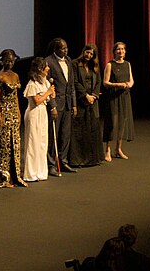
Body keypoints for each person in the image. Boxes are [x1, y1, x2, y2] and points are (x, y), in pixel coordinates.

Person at [0, 50, 25, 189]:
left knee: (15, 145)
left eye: (11, 61)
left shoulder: (16, 75)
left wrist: (18, 112)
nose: (9, 63)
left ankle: (15, 174)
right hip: (4, 111)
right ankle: (4, 176)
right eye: (7, 61)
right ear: (2, 60)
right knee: (4, 145)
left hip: (13, 112)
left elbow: (16, 96)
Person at [46, 37, 77, 175]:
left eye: (66, 48)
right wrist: (52, 106)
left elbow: (71, 85)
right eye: (62, 48)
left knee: (65, 134)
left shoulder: (69, 60)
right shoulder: (48, 62)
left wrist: (74, 104)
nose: (65, 50)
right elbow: (48, 86)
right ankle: (51, 164)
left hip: (68, 103)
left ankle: (63, 161)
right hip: (56, 104)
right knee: (53, 135)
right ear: (55, 49)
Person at [71, 43, 104, 168]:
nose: (88, 55)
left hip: (92, 102)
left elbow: (98, 82)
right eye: (87, 52)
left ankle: (94, 159)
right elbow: (75, 82)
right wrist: (85, 95)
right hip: (81, 102)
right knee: (80, 131)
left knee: (93, 129)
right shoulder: (75, 63)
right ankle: (79, 160)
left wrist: (94, 96)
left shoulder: (94, 66)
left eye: (91, 54)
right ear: (83, 51)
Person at [22, 57, 54, 183]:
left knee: (42, 142)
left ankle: (41, 172)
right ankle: (31, 173)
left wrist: (51, 93)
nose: (48, 69)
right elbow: (36, 101)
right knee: (33, 142)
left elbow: (47, 97)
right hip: (34, 113)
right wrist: (47, 93)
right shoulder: (32, 84)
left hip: (42, 112)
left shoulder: (44, 82)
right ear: (40, 69)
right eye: (46, 66)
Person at [102, 40, 134, 161]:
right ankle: (108, 150)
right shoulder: (110, 65)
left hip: (125, 96)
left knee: (122, 123)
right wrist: (119, 85)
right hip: (113, 97)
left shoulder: (127, 64)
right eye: (118, 49)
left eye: (123, 49)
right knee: (112, 122)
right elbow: (105, 83)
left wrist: (129, 85)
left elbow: (131, 80)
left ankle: (118, 149)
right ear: (114, 51)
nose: (121, 51)